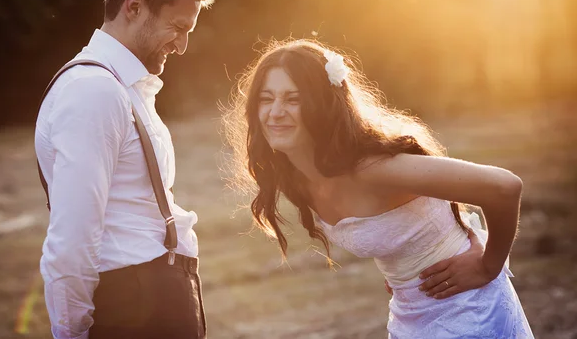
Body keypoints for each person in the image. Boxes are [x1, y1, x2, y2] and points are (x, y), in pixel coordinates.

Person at [221, 39, 534, 338]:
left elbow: (504, 187)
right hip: (408, 316)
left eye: (293, 99)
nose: (275, 112)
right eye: (266, 98)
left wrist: (488, 265)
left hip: (468, 311)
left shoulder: (373, 169)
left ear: (322, 106)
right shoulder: (297, 176)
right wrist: (405, 271)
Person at [35, 0, 215, 339]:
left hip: (154, 300)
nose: (182, 46)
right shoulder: (92, 91)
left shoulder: (122, 88)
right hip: (132, 308)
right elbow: (72, 238)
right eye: (178, 27)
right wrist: (72, 333)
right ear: (134, 7)